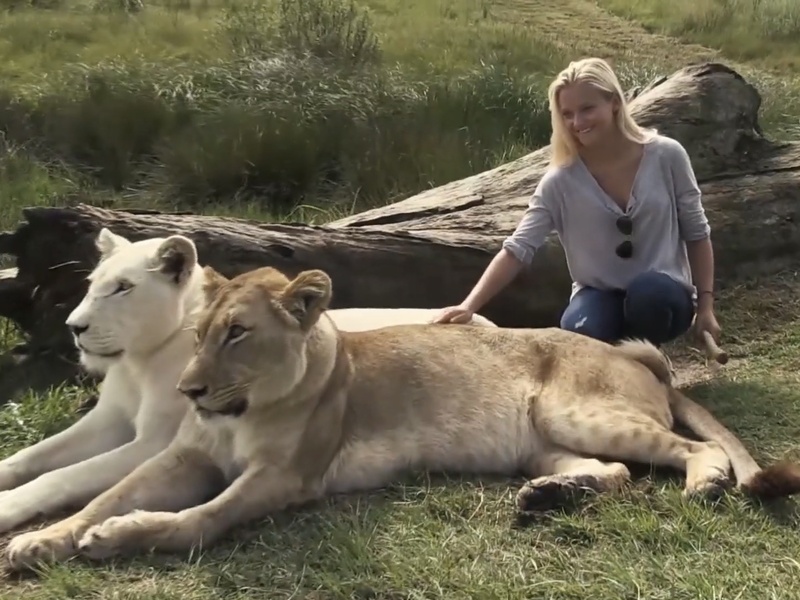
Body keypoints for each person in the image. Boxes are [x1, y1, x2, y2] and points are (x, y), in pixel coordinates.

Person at [432, 57, 721, 347]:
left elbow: (697, 232)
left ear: (615, 103)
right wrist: (469, 305)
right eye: (567, 114)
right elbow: (517, 249)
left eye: (587, 109)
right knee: (582, 333)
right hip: (598, 294)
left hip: (662, 294)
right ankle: (621, 363)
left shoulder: (667, 156)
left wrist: (706, 306)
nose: (577, 123)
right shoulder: (560, 181)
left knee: (650, 294)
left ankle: (650, 358)